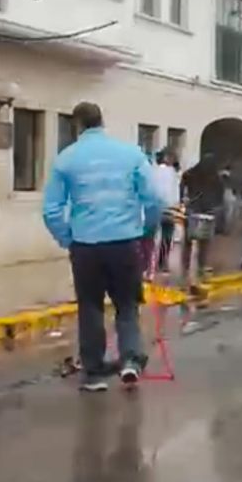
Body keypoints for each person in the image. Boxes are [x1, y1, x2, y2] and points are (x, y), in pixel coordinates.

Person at [43, 102, 161, 392]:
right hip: (124, 243)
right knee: (127, 305)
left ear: (77, 125)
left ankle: (94, 373)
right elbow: (155, 200)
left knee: (91, 307)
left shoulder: (66, 159)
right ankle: (131, 361)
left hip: (85, 246)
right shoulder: (131, 154)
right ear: (101, 121)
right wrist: (145, 231)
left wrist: (67, 238)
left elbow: (52, 210)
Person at [180, 153, 225, 293]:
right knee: (204, 242)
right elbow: (220, 195)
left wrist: (184, 198)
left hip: (193, 210)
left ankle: (185, 268)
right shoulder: (216, 177)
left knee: (188, 240)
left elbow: (183, 185)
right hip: (207, 211)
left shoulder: (191, 173)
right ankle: (200, 268)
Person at [154, 149, 181, 272]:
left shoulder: (154, 170)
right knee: (167, 236)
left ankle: (149, 263)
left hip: (154, 207)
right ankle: (162, 261)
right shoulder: (172, 173)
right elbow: (175, 191)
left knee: (151, 236)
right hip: (169, 208)